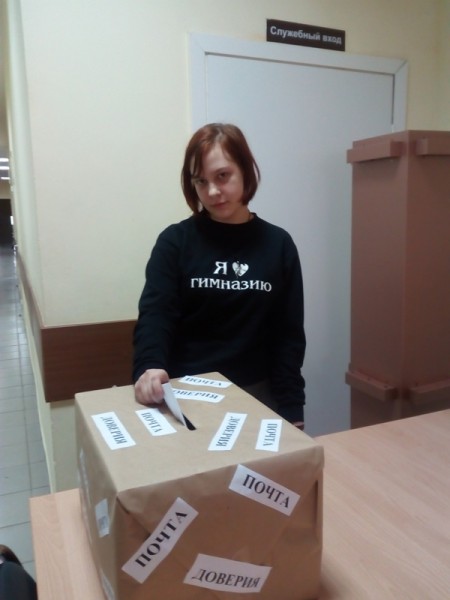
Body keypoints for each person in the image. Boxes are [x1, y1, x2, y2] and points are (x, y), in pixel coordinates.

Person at [133, 123, 306, 428]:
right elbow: (156, 314)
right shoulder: (175, 242)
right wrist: (149, 366)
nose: (212, 191)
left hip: (258, 396)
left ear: (246, 172)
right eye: (201, 181)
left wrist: (292, 407)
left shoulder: (278, 245)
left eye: (222, 176)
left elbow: (288, 335)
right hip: (186, 395)